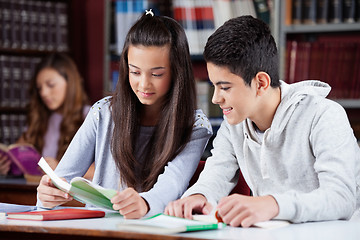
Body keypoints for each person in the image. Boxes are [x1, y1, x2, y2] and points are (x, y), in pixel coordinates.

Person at [165, 15, 360, 227]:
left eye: (225, 87)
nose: (216, 98)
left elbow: (341, 198)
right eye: (214, 86)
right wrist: (198, 196)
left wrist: (272, 204)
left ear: (260, 83)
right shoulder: (234, 125)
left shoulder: (324, 116)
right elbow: (216, 174)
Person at [36, 10, 212, 219]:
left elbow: (174, 181)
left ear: (177, 72)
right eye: (135, 72)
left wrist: (144, 203)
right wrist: (46, 196)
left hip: (156, 230)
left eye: (157, 74)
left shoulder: (195, 126)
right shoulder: (102, 113)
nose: (144, 84)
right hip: (99, 229)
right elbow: (61, 178)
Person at [0, 53, 93, 178]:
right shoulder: (41, 119)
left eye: (51, 85)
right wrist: (6, 165)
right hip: (38, 193)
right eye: (39, 88)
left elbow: (107, 171)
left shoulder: (91, 116)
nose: (43, 93)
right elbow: (15, 151)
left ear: (69, 83)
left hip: (73, 196)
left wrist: (61, 168)